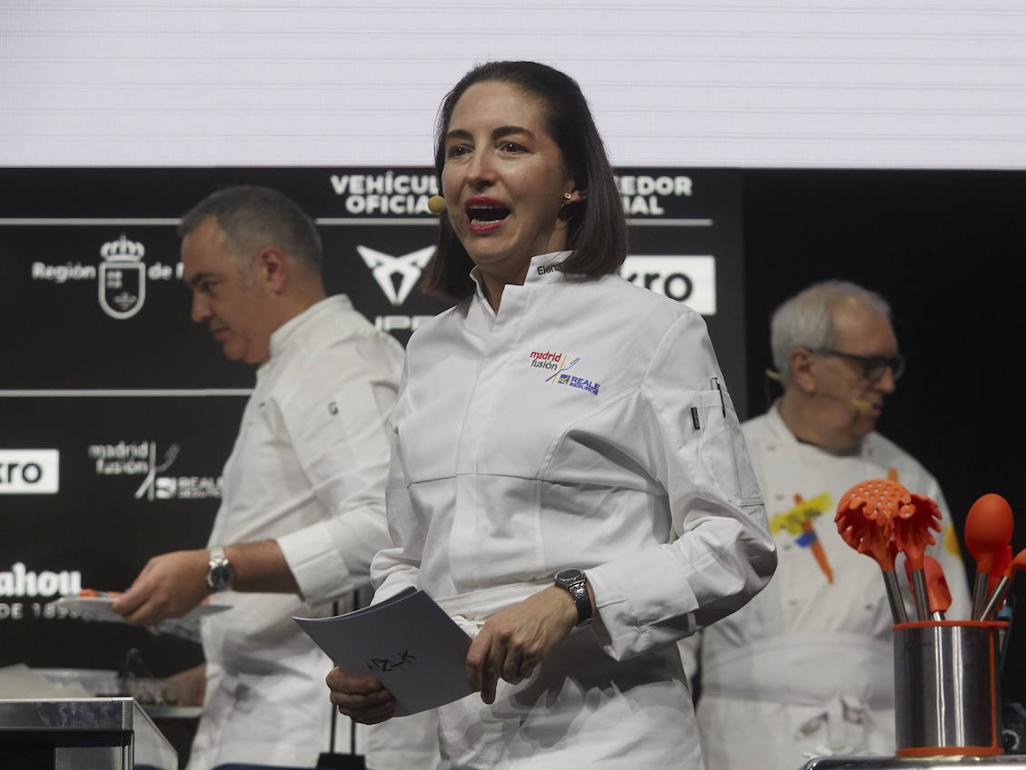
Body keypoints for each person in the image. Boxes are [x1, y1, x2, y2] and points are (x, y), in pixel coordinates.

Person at [325, 61, 777, 769]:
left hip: (614, 742)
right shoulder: (431, 349)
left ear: (573, 183)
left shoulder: (652, 329)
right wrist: (384, 661)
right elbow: (409, 555)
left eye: (510, 145)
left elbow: (735, 544)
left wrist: (576, 598)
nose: (476, 170)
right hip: (465, 747)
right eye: (457, 149)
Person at [112, 185, 439, 770]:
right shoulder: (297, 366)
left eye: (206, 286)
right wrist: (216, 667)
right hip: (266, 724)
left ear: (269, 267)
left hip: (313, 736)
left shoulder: (341, 361)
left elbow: (383, 529)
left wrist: (214, 568)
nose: (198, 311)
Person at [682, 280, 972, 769]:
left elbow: (947, 642)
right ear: (804, 367)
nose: (887, 384)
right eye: (870, 367)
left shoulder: (911, 482)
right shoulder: (727, 464)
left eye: (890, 366)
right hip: (748, 744)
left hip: (884, 745)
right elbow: (676, 630)